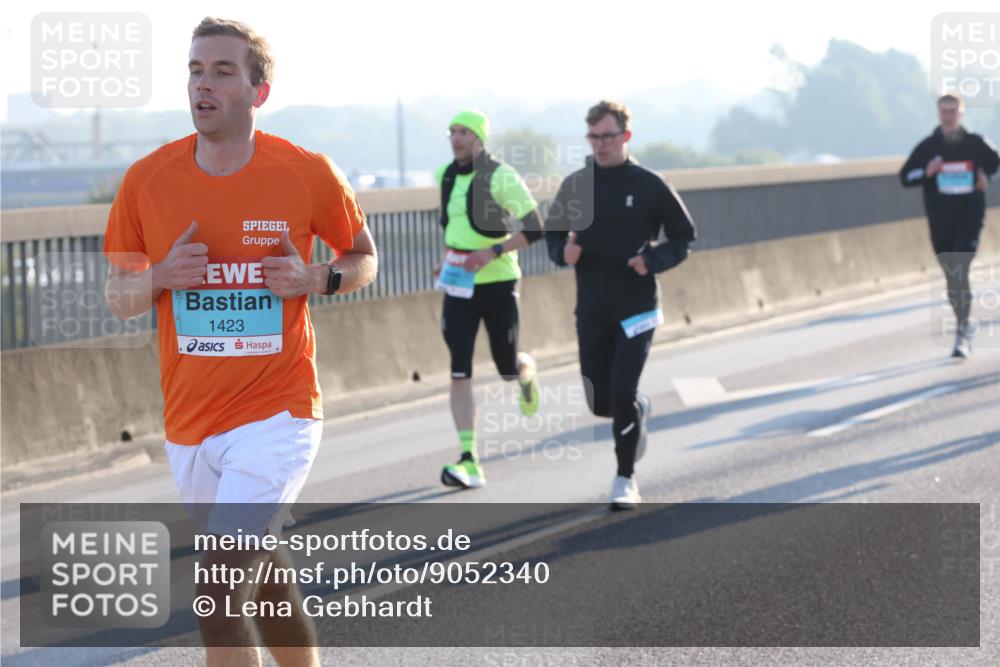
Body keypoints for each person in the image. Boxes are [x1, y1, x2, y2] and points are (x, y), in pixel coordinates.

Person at [103, 17, 377, 667]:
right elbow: (118, 294)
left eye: (223, 71)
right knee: (268, 580)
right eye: (196, 70)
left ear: (259, 92)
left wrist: (317, 277)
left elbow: (362, 256)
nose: (204, 83)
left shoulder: (306, 173)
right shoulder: (147, 180)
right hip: (190, 421)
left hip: (278, 412)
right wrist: (162, 274)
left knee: (219, 593)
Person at [545, 100, 696, 510]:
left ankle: (625, 478)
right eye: (593, 137)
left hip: (638, 308)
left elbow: (683, 236)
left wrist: (652, 261)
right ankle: (635, 409)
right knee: (602, 403)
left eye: (607, 137)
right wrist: (563, 254)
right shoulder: (577, 185)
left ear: (626, 136)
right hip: (593, 307)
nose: (600, 145)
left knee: (622, 389)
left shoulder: (649, 184)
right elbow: (553, 235)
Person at [434, 109, 545, 489]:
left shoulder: (501, 176)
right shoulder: (445, 176)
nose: (456, 137)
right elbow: (456, 230)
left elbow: (536, 229)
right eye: (452, 131)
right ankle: (470, 458)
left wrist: (493, 252)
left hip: (498, 281)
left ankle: (525, 372)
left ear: (480, 138)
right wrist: (447, 262)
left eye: (464, 131)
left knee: (505, 367)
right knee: (459, 370)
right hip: (459, 285)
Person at [900, 93, 999, 359]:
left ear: (961, 113)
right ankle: (963, 320)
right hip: (941, 222)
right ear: (938, 113)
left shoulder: (975, 144)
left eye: (953, 111)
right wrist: (927, 172)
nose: (948, 116)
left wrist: (984, 176)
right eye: (944, 111)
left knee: (959, 268)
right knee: (952, 278)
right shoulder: (928, 147)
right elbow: (905, 177)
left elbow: (995, 163)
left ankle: (963, 330)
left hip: (969, 218)